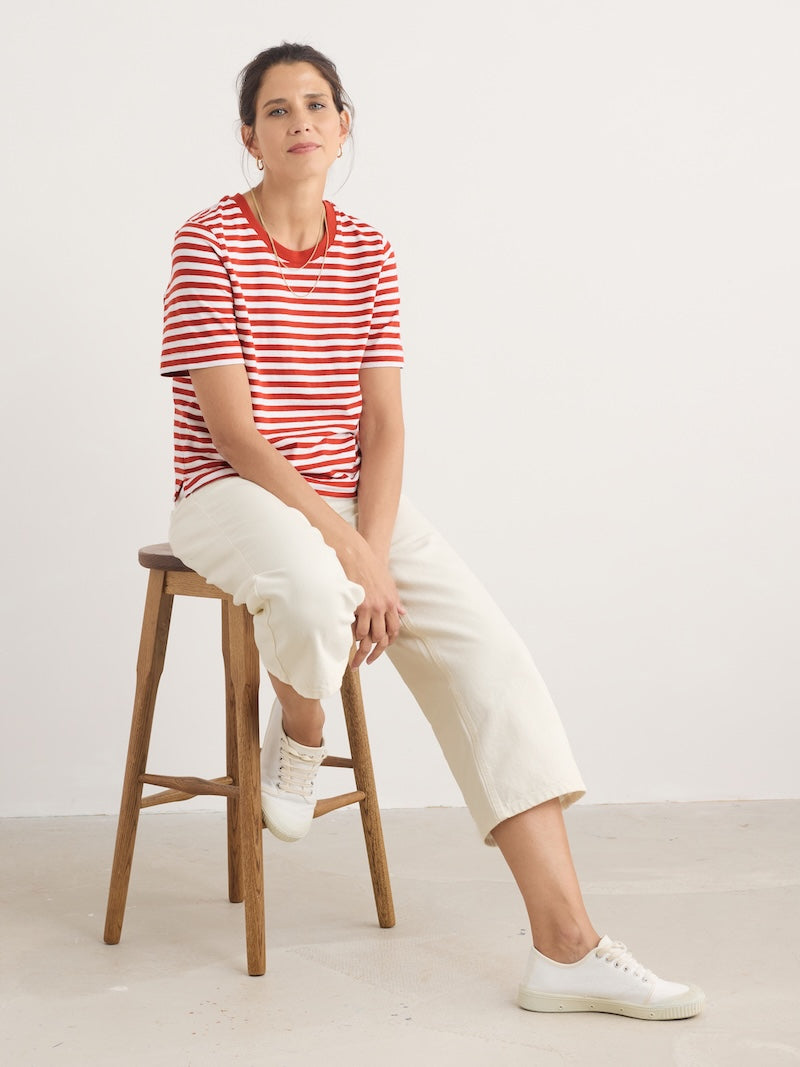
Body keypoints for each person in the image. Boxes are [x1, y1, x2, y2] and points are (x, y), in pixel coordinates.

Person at [161, 42, 704, 1021]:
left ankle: (565, 945)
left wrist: (371, 541)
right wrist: (348, 552)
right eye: (276, 110)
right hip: (231, 491)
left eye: (317, 105)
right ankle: (302, 726)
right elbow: (235, 435)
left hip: (349, 491)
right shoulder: (207, 243)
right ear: (248, 135)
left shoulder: (367, 250)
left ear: (344, 125)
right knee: (316, 587)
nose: (300, 123)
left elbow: (383, 425)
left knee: (488, 657)